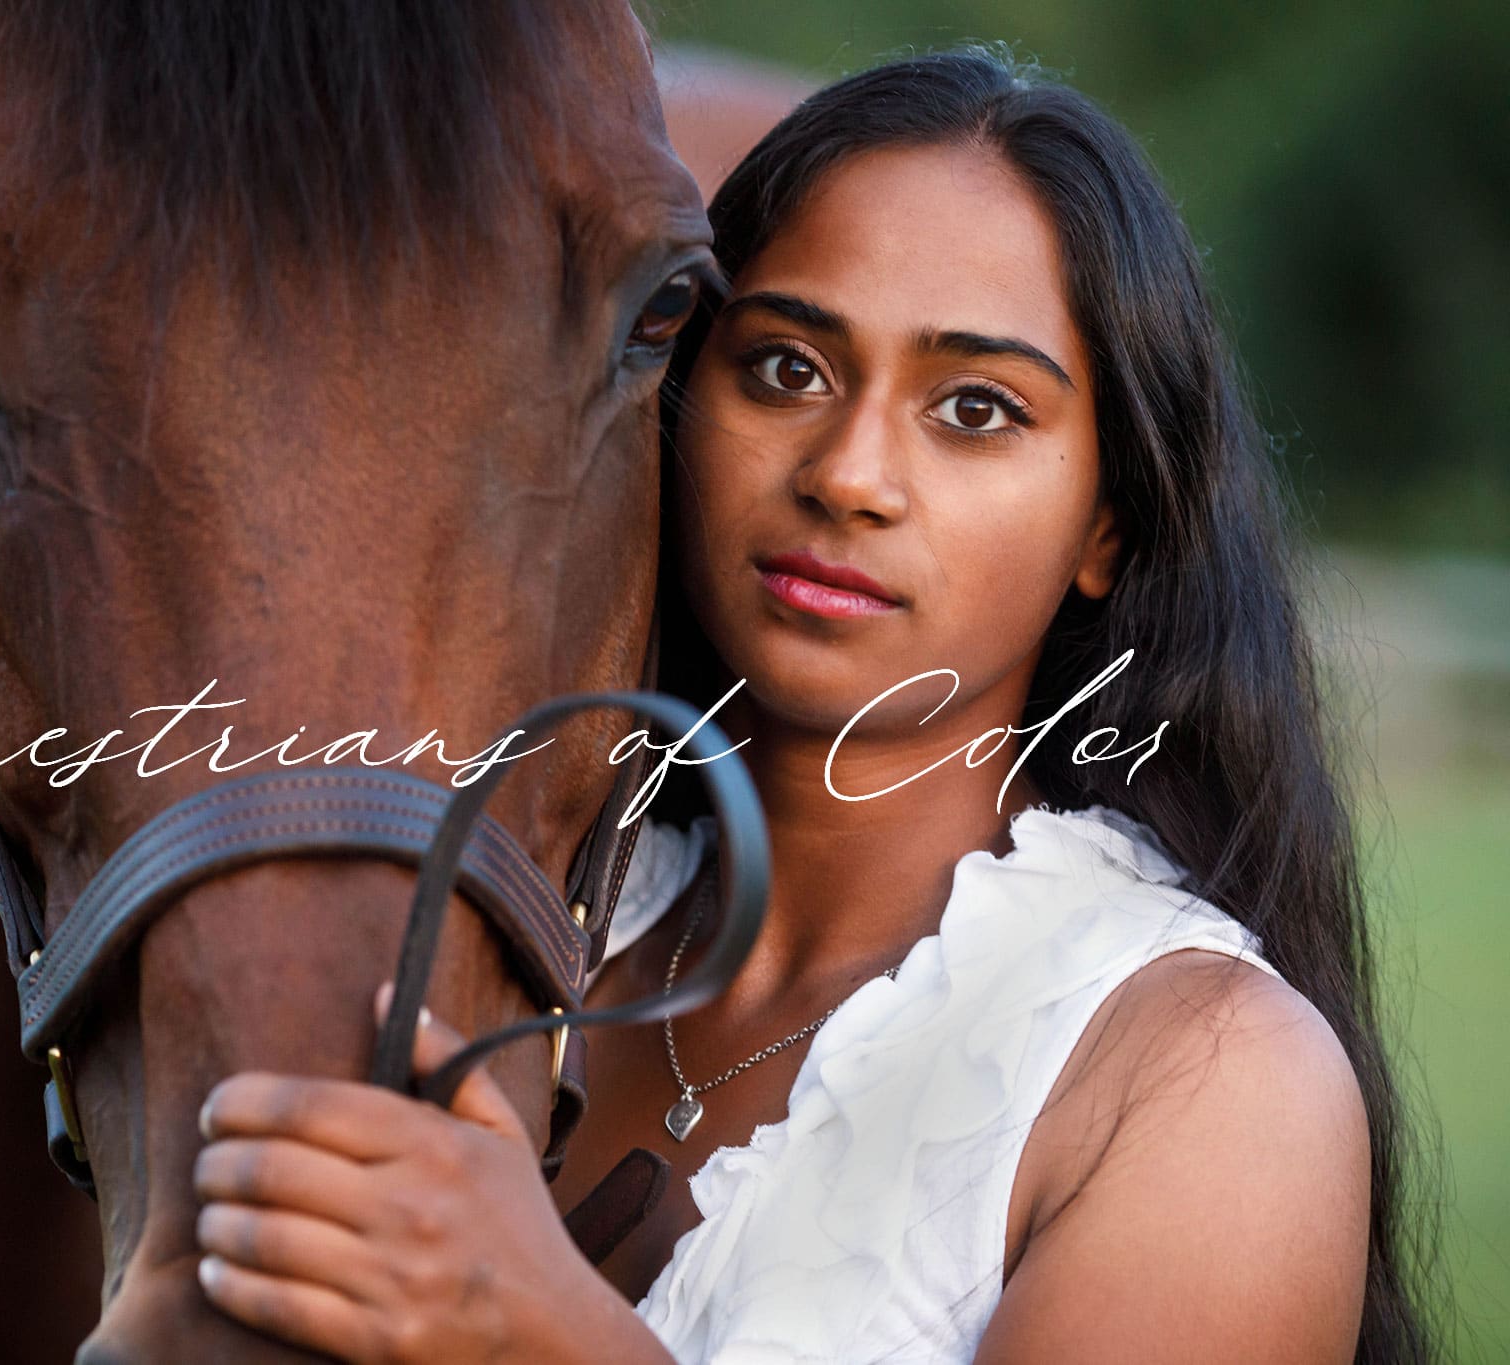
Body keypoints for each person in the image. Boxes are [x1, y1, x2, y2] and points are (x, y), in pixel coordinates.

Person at [184, 47, 1435, 1363]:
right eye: (785, 368)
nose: (850, 475)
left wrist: (542, 1337)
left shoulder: (1201, 1074)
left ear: (1107, 526)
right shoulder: (500, 927)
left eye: (974, 407)